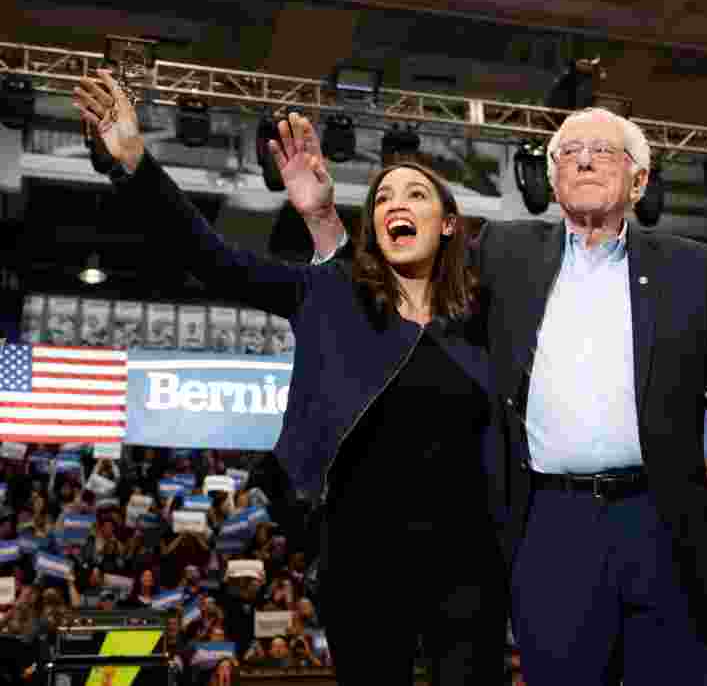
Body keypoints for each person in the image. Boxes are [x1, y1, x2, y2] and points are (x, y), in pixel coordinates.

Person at [74, 69, 507, 686]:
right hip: (364, 559)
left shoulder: (486, 320)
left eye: (414, 195)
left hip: (468, 563)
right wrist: (136, 164)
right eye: (382, 198)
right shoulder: (331, 295)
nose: (394, 205)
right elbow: (212, 260)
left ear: (448, 224)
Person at [298, 106, 707, 684]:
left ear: (639, 180)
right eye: (569, 152)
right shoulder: (505, 251)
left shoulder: (694, 268)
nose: (582, 158)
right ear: (552, 179)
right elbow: (403, 292)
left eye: (602, 150)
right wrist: (324, 219)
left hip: (662, 521)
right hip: (551, 524)